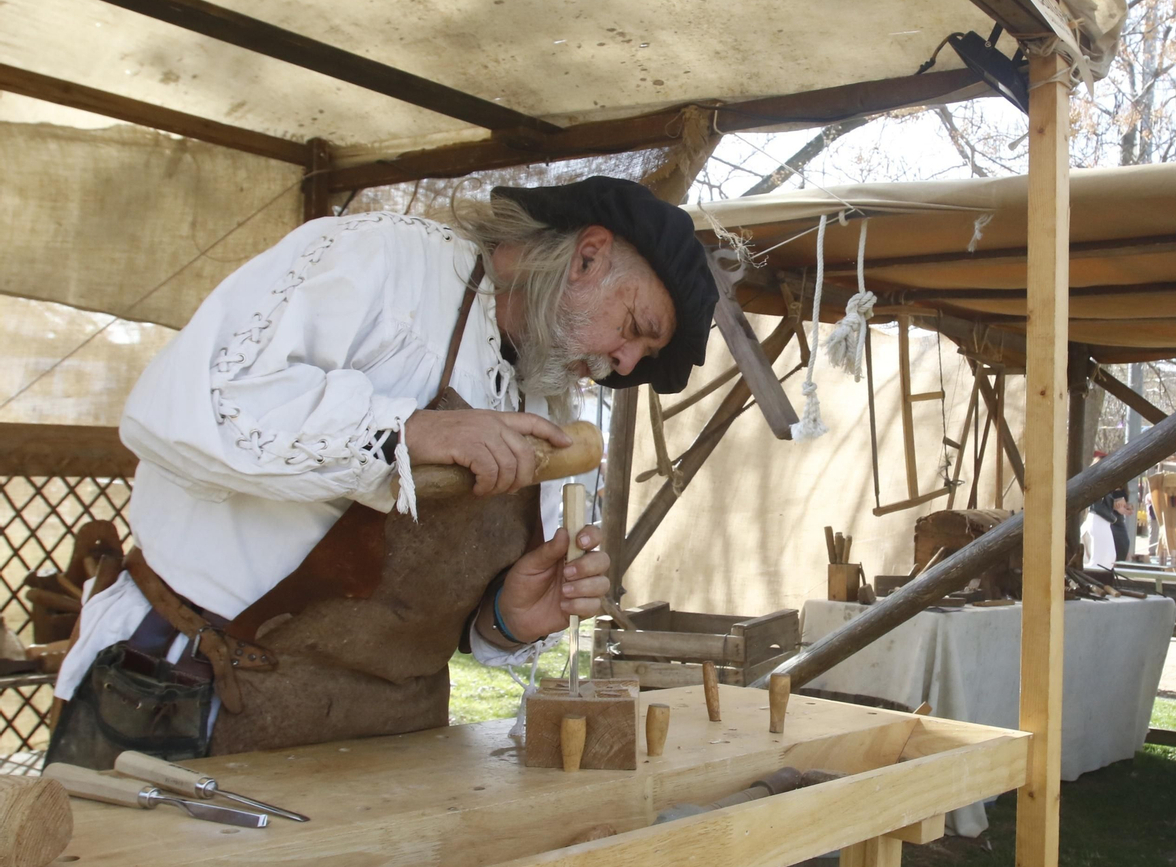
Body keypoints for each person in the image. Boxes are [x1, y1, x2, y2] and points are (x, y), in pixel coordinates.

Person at [47, 177, 716, 767]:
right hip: (185, 702)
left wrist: (509, 616)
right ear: (588, 255)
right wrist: (412, 429)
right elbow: (195, 404)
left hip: (387, 742)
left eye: (641, 355)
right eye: (635, 327)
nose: (624, 365)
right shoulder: (383, 263)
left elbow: (451, 616)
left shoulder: (544, 394)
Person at [1081, 489, 1133, 570]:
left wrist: (1119, 505)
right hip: (1100, 518)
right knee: (1102, 560)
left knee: (1108, 558)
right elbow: (1097, 502)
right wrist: (1114, 504)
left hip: (1106, 519)